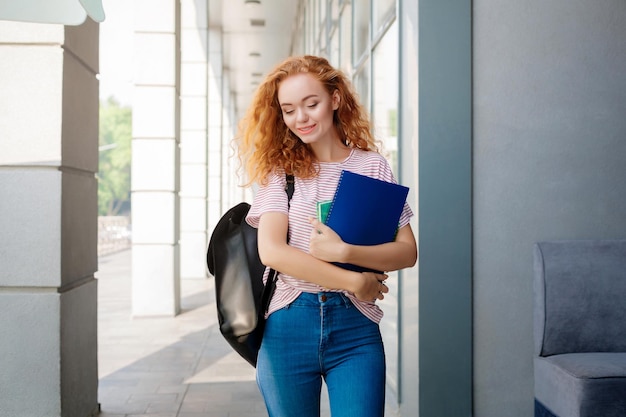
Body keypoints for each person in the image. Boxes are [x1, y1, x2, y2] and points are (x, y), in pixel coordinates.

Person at [236, 55, 417, 417]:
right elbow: (272, 251)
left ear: (335, 99)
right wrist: (354, 280)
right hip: (288, 323)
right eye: (288, 110)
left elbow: (407, 251)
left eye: (311, 104)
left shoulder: (371, 166)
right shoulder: (280, 171)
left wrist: (344, 251)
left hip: (355, 328)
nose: (300, 118)